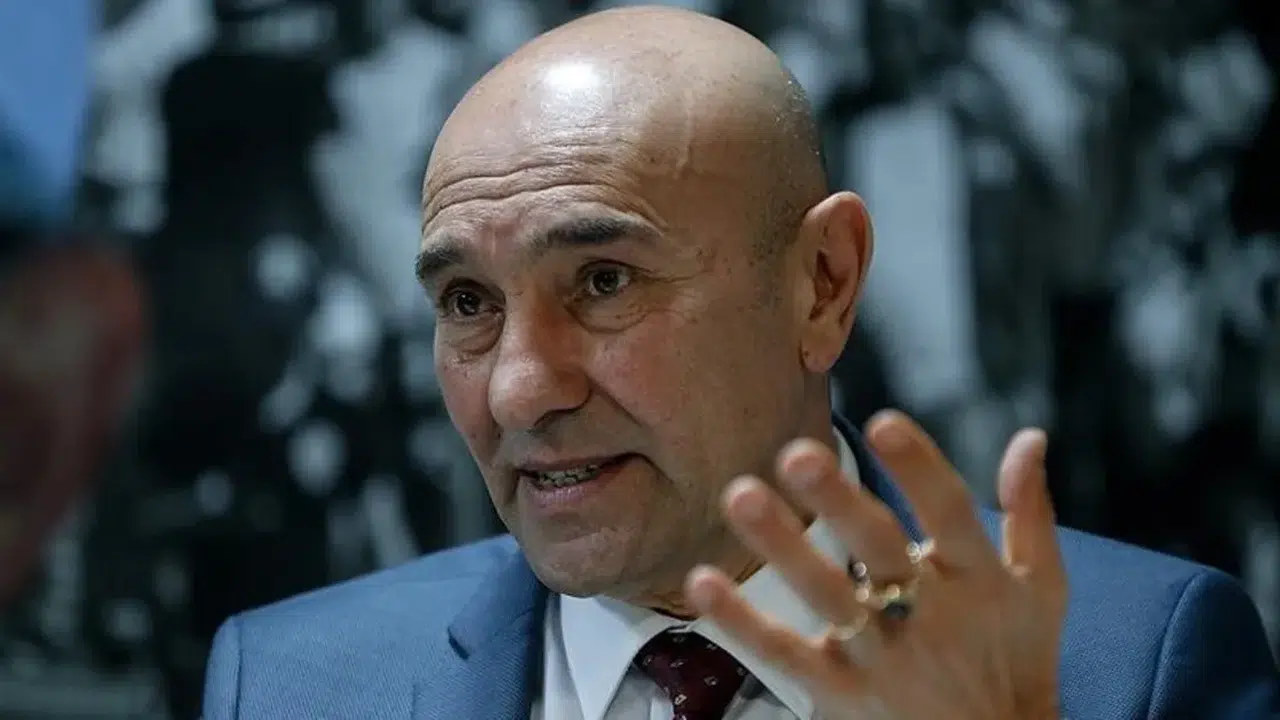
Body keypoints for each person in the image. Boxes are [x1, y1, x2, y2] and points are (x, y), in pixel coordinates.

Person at [201, 7, 1280, 719]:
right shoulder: (286, 684)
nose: (519, 389)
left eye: (604, 282)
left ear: (821, 284)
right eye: (468, 303)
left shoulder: (1135, 662)